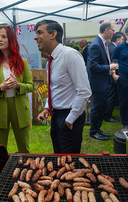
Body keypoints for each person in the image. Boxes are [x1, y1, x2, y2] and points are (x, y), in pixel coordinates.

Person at [36, 20, 91, 153]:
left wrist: (70, 119)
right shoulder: (51, 59)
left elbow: (84, 91)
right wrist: (46, 108)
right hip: (56, 115)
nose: (35, 37)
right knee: (59, 157)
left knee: (69, 161)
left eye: (39, 32)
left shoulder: (70, 55)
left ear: (53, 34)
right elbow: (56, 89)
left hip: (69, 115)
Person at [0, 25, 33, 153]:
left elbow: (30, 85)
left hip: (20, 108)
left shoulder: (22, 62)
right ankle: (0, 171)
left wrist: (18, 85)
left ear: (11, 39)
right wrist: (1, 87)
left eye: (3, 37)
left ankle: (25, 169)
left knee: (24, 148)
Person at [87, 21, 118, 141]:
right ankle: (94, 131)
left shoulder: (101, 43)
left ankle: (97, 129)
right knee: (97, 107)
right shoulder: (96, 44)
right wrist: (110, 67)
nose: (114, 33)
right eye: (113, 30)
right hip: (97, 83)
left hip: (102, 82)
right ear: (106, 30)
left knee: (101, 107)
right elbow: (93, 66)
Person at [104, 32, 125, 123]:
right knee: (111, 96)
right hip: (112, 75)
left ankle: (107, 114)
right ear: (117, 40)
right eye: (122, 40)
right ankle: (107, 115)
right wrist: (114, 75)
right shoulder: (113, 48)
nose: (123, 42)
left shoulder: (110, 47)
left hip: (109, 75)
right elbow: (112, 62)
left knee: (110, 96)